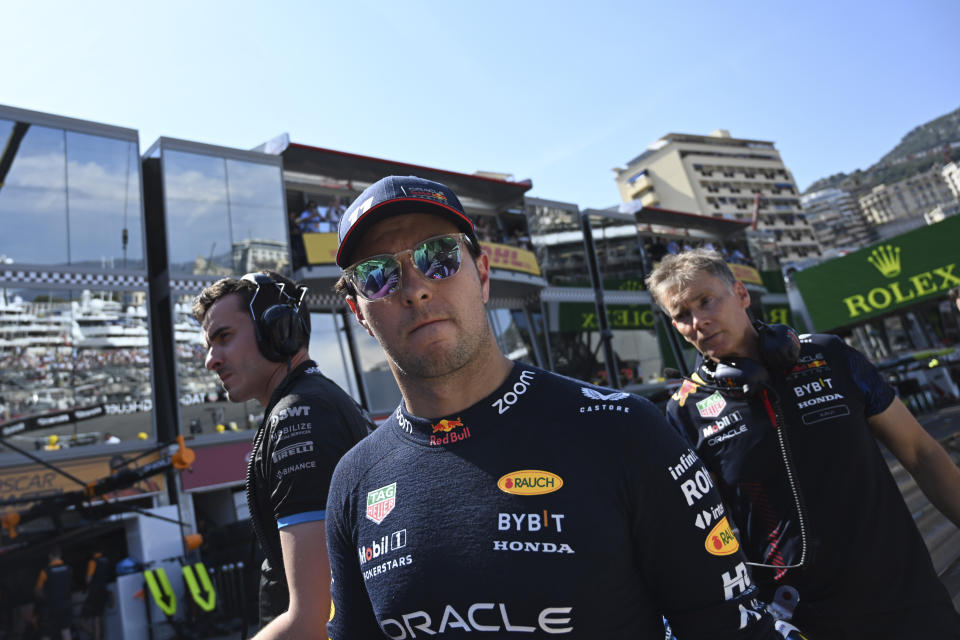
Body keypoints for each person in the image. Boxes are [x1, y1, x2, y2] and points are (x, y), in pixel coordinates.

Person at [324, 175, 788, 638]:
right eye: (378, 275)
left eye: (439, 258)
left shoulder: (624, 430)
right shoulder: (353, 480)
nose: (415, 289)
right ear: (359, 313)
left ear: (482, 276)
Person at [647, 249, 960, 638]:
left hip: (906, 596)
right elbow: (705, 532)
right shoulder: (684, 412)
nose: (699, 321)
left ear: (741, 294)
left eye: (705, 300)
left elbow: (921, 451)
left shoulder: (830, 356)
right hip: (802, 619)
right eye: (681, 315)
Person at [193, 270, 373, 638]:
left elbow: (314, 616)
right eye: (208, 346)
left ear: (279, 330)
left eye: (223, 337)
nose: (211, 360)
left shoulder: (299, 416)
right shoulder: (320, 401)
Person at [34, 547, 72, 640]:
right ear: (60, 555)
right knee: (66, 631)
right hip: (66, 605)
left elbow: (38, 591)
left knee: (47, 633)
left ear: (50, 556)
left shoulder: (45, 572)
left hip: (51, 607)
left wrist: (45, 598)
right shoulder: (69, 568)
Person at [80, 551, 111, 640]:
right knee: (97, 618)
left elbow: (88, 579)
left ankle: (96, 637)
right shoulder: (106, 560)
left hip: (94, 593)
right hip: (103, 592)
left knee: (82, 621)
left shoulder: (93, 562)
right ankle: (98, 637)